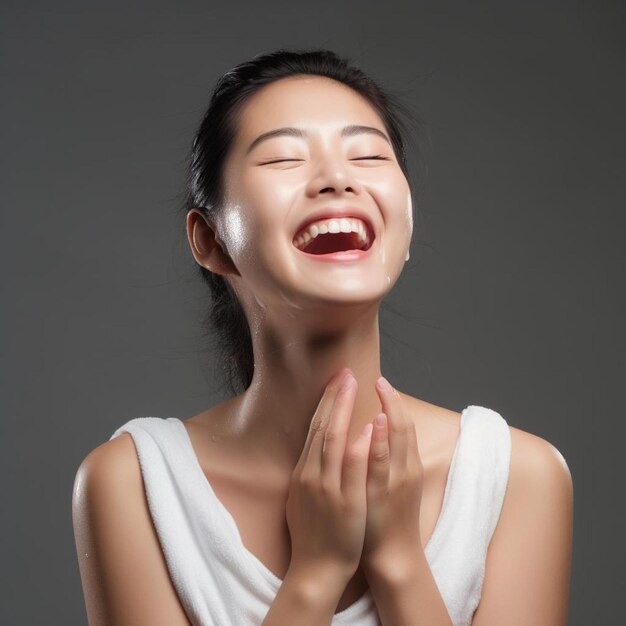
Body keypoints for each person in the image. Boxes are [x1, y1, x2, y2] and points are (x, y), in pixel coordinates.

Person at [72, 48, 574, 626]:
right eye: (284, 159)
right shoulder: (134, 483)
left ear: (406, 223)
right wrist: (315, 573)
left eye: (368, 155)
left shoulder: (515, 475)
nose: (337, 179)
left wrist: (399, 562)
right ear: (210, 240)